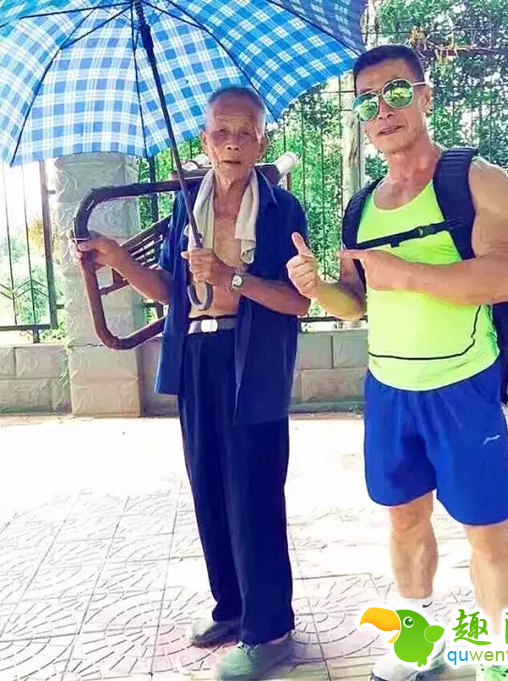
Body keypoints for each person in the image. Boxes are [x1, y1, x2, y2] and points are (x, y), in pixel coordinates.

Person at [287, 44, 508, 681]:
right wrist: (318, 289)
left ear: (424, 96)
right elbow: (357, 303)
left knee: (485, 526)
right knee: (403, 520)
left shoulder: (475, 180)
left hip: (462, 384)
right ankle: (418, 641)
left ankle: (503, 656)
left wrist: (406, 272)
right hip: (389, 389)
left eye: (395, 92)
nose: (382, 110)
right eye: (367, 101)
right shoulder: (361, 206)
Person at [71, 86, 310, 681]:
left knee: (253, 491)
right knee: (209, 485)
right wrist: (115, 258)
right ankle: (232, 608)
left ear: (262, 142)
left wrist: (232, 277)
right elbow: (172, 293)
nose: (232, 143)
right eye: (221, 133)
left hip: (252, 359)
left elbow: (297, 302)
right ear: (204, 140)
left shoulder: (282, 210)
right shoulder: (188, 205)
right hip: (197, 354)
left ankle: (270, 629)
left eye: (245, 133)